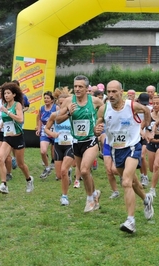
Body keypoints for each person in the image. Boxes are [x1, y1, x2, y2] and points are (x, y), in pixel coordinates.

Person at [94, 80, 154, 234]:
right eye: (109, 91)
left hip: (133, 146)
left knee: (126, 181)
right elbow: (98, 125)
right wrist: (97, 128)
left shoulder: (131, 105)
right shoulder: (104, 108)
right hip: (116, 150)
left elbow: (147, 111)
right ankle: (146, 199)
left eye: (115, 91)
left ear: (122, 92)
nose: (111, 95)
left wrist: (146, 129)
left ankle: (130, 221)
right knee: (132, 182)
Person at [56, 75, 103, 213]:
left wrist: (100, 127)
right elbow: (57, 120)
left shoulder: (95, 101)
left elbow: (106, 114)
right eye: (75, 86)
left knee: (83, 170)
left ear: (87, 88)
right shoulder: (69, 101)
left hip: (91, 141)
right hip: (76, 142)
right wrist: (69, 114)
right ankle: (95, 194)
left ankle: (89, 200)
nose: (77, 89)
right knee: (86, 172)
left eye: (80, 86)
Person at [0, 82, 34, 194]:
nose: (6, 95)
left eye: (8, 93)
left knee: (20, 164)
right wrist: (1, 125)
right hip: (7, 138)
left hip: (18, 138)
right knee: (0, 159)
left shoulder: (17, 105)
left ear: (14, 94)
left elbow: (20, 119)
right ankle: (4, 185)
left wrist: (7, 112)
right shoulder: (4, 105)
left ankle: (29, 180)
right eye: (4, 93)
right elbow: (5, 119)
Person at [44, 88, 75, 205]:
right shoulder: (54, 115)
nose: (62, 105)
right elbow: (46, 128)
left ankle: (64, 197)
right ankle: (68, 173)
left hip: (70, 145)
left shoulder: (73, 114)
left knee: (63, 171)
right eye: (60, 103)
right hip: (58, 145)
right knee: (58, 175)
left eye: (64, 103)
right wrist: (53, 134)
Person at [36, 91, 58, 179]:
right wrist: (38, 128)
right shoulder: (41, 108)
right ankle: (47, 168)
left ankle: (59, 172)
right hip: (45, 132)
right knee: (43, 151)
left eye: (48, 98)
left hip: (55, 132)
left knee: (56, 154)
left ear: (52, 100)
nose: (46, 100)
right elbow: (39, 118)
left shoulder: (56, 108)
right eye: (45, 98)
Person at [0, 86, 13, 181]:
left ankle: (8, 173)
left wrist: (2, 124)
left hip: (8, 131)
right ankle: (4, 168)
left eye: (0, 92)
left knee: (7, 156)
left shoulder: (10, 103)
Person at [146, 94, 159, 197]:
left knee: (156, 165)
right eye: (154, 103)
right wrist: (148, 136)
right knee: (151, 169)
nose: (156, 105)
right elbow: (146, 130)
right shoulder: (149, 115)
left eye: (158, 103)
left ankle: (152, 189)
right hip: (151, 144)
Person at [137, 93, 151, 187]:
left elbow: (148, 122)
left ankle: (145, 177)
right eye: (143, 103)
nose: (144, 106)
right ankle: (142, 175)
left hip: (144, 136)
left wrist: (145, 130)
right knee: (138, 158)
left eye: (145, 104)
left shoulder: (149, 109)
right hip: (135, 136)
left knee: (142, 156)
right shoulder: (134, 109)